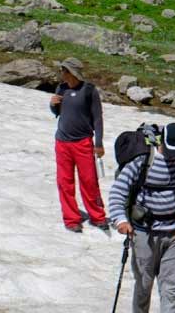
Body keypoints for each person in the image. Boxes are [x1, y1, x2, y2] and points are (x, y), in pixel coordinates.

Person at [108, 122, 175, 313]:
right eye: (170, 150)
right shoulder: (144, 160)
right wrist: (121, 220)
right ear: (162, 141)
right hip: (144, 234)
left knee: (173, 290)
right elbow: (118, 192)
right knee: (144, 286)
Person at [49, 57, 108, 233]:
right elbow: (57, 113)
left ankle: (98, 216)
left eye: (64, 71)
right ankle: (71, 219)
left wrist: (98, 143)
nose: (62, 74)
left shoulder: (89, 91)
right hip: (62, 142)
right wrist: (52, 105)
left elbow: (97, 118)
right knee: (65, 182)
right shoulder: (61, 88)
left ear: (72, 72)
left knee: (89, 180)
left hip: (83, 142)